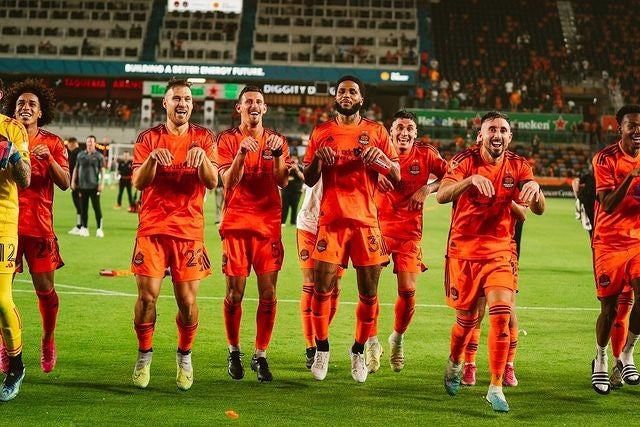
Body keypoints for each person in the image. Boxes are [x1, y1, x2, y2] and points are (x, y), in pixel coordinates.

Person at [436, 111, 545, 412]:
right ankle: (456, 360)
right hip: (465, 251)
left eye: (503, 130)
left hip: (500, 251)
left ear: (510, 137)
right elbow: (442, 195)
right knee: (466, 322)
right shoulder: (464, 161)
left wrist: (536, 191)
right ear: (480, 135)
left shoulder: (519, 165)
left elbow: (537, 210)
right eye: (491, 129)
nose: (497, 134)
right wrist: (471, 181)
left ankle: (495, 385)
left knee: (500, 315)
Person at [303, 75, 400, 383]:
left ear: (361, 98)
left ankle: (358, 351)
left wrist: (382, 160)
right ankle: (322, 349)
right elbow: (307, 178)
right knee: (322, 291)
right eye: (341, 91)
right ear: (336, 97)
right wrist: (318, 158)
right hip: (330, 223)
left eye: (352, 91)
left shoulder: (376, 132)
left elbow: (396, 175)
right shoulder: (322, 132)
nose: (346, 95)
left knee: (369, 294)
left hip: (366, 224)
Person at [130, 77, 218, 391]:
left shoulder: (205, 137)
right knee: (147, 298)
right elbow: (139, 183)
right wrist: (153, 158)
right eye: (175, 99)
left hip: (188, 232)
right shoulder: (148, 138)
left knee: (187, 302)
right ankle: (144, 356)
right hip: (153, 229)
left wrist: (204, 159)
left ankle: (184, 356)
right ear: (164, 103)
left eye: (186, 99)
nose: (182, 104)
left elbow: (213, 182)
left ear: (192, 105)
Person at [217, 86, 290, 382]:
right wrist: (240, 154)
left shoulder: (277, 141)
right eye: (248, 102)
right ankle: (234, 350)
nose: (254, 106)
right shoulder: (226, 140)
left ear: (265, 108)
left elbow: (283, 181)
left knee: (269, 294)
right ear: (239, 108)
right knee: (234, 295)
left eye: (259, 102)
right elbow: (227, 182)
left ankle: (260, 355)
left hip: (267, 227)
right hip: (236, 226)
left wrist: (276, 157)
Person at [365, 110, 447, 374]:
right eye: (399, 127)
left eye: (409, 128)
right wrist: (375, 175)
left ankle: (397, 339)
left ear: (416, 133)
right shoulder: (376, 151)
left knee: (408, 293)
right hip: (376, 230)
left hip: (409, 234)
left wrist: (428, 188)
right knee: (369, 291)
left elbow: (454, 175)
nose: (404, 132)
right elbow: (353, 176)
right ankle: (372, 342)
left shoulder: (427, 155)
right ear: (391, 131)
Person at [2, 78, 70, 375]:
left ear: (41, 112)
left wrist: (52, 160)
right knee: (3, 294)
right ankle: (6, 349)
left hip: (39, 228)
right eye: (20, 104)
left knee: (45, 290)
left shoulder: (52, 142)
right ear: (12, 110)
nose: (25, 107)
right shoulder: (5, 135)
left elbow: (66, 183)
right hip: (8, 226)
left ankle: (47, 339)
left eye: (32, 104)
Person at [590, 104, 640, 395]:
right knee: (609, 310)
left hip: (637, 241)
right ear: (619, 127)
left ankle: (627, 355)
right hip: (608, 242)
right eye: (631, 125)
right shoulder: (605, 158)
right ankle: (601, 358)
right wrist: (631, 176)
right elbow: (607, 203)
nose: (637, 131)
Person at [461, 202, 527, 387]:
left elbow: (530, 211)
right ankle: (469, 364)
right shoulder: (476, 176)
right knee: (476, 309)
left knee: (508, 311)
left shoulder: (518, 177)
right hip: (476, 249)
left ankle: (508, 365)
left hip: (507, 252)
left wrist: (533, 189)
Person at [0, 77, 31, 401]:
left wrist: (12, 156)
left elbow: (25, 180)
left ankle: (16, 365)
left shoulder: (12, 128)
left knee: (1, 299)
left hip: (3, 220)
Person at [296, 181, 342, 368]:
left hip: (337, 227)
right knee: (310, 284)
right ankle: (311, 346)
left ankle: (319, 335)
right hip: (309, 224)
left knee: (334, 286)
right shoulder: (318, 151)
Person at [71, 135, 105, 237]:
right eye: (88, 142)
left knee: (96, 208)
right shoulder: (81, 155)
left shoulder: (99, 156)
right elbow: (76, 169)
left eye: (91, 142)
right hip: (82, 186)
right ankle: (85, 228)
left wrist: (102, 183)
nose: (89, 143)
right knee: (83, 209)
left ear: (95, 143)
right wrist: (73, 181)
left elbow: (102, 171)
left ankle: (99, 229)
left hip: (94, 186)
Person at [281, 154, 304, 226]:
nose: (294, 161)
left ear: (297, 160)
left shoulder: (300, 168)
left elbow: (303, 178)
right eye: (292, 159)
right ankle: (283, 222)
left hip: (297, 191)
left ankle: (293, 222)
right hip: (286, 191)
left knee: (295, 207)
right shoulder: (286, 167)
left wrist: (296, 170)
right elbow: (282, 176)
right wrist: (290, 168)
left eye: (295, 159)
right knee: (285, 207)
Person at [66, 137, 82, 234]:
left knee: (79, 205)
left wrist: (73, 181)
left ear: (72, 143)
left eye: (68, 145)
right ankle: (80, 225)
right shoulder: (81, 153)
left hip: (78, 183)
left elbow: (74, 168)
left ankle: (81, 226)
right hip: (79, 183)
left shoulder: (76, 154)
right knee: (80, 205)